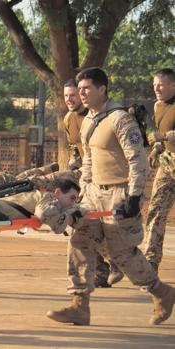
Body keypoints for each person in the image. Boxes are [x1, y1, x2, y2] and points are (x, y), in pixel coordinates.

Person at [47, 67, 175, 326]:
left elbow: (137, 159)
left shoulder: (120, 119)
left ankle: (161, 292)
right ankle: (79, 305)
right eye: (79, 89)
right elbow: (88, 163)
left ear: (102, 89)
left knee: (122, 254)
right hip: (94, 193)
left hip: (120, 192)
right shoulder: (88, 122)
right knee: (79, 241)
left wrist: (135, 196)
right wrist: (82, 195)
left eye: (86, 89)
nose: (81, 94)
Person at [63, 79, 123, 288]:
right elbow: (75, 147)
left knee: (101, 225)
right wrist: (73, 163)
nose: (70, 99)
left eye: (74, 95)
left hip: (106, 178)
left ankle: (117, 261)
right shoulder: (69, 119)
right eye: (67, 95)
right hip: (84, 176)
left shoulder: (103, 117)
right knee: (81, 223)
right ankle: (101, 270)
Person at [144, 68, 175, 273]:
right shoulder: (157, 106)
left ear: (173, 85)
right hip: (167, 163)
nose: (156, 88)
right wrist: (156, 148)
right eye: (154, 85)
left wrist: (165, 136)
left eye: (161, 85)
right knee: (155, 210)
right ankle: (150, 262)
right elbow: (158, 134)